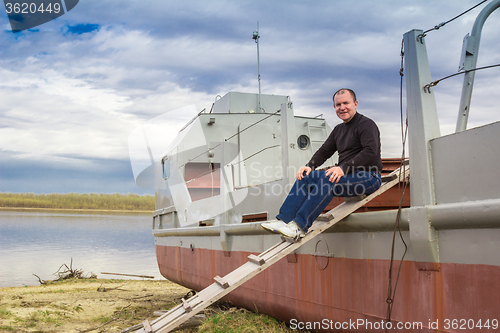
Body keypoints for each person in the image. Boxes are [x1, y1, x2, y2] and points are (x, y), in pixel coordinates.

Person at [261, 88, 383, 239]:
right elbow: (325, 151)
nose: (342, 107)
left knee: (328, 178)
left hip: (369, 176)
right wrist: (309, 166)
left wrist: (343, 169)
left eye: (346, 103)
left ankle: (299, 226)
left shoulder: (366, 124)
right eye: (338, 105)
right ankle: (284, 220)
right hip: (348, 176)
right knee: (306, 177)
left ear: (355, 104)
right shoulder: (339, 130)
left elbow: (370, 152)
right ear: (334, 107)